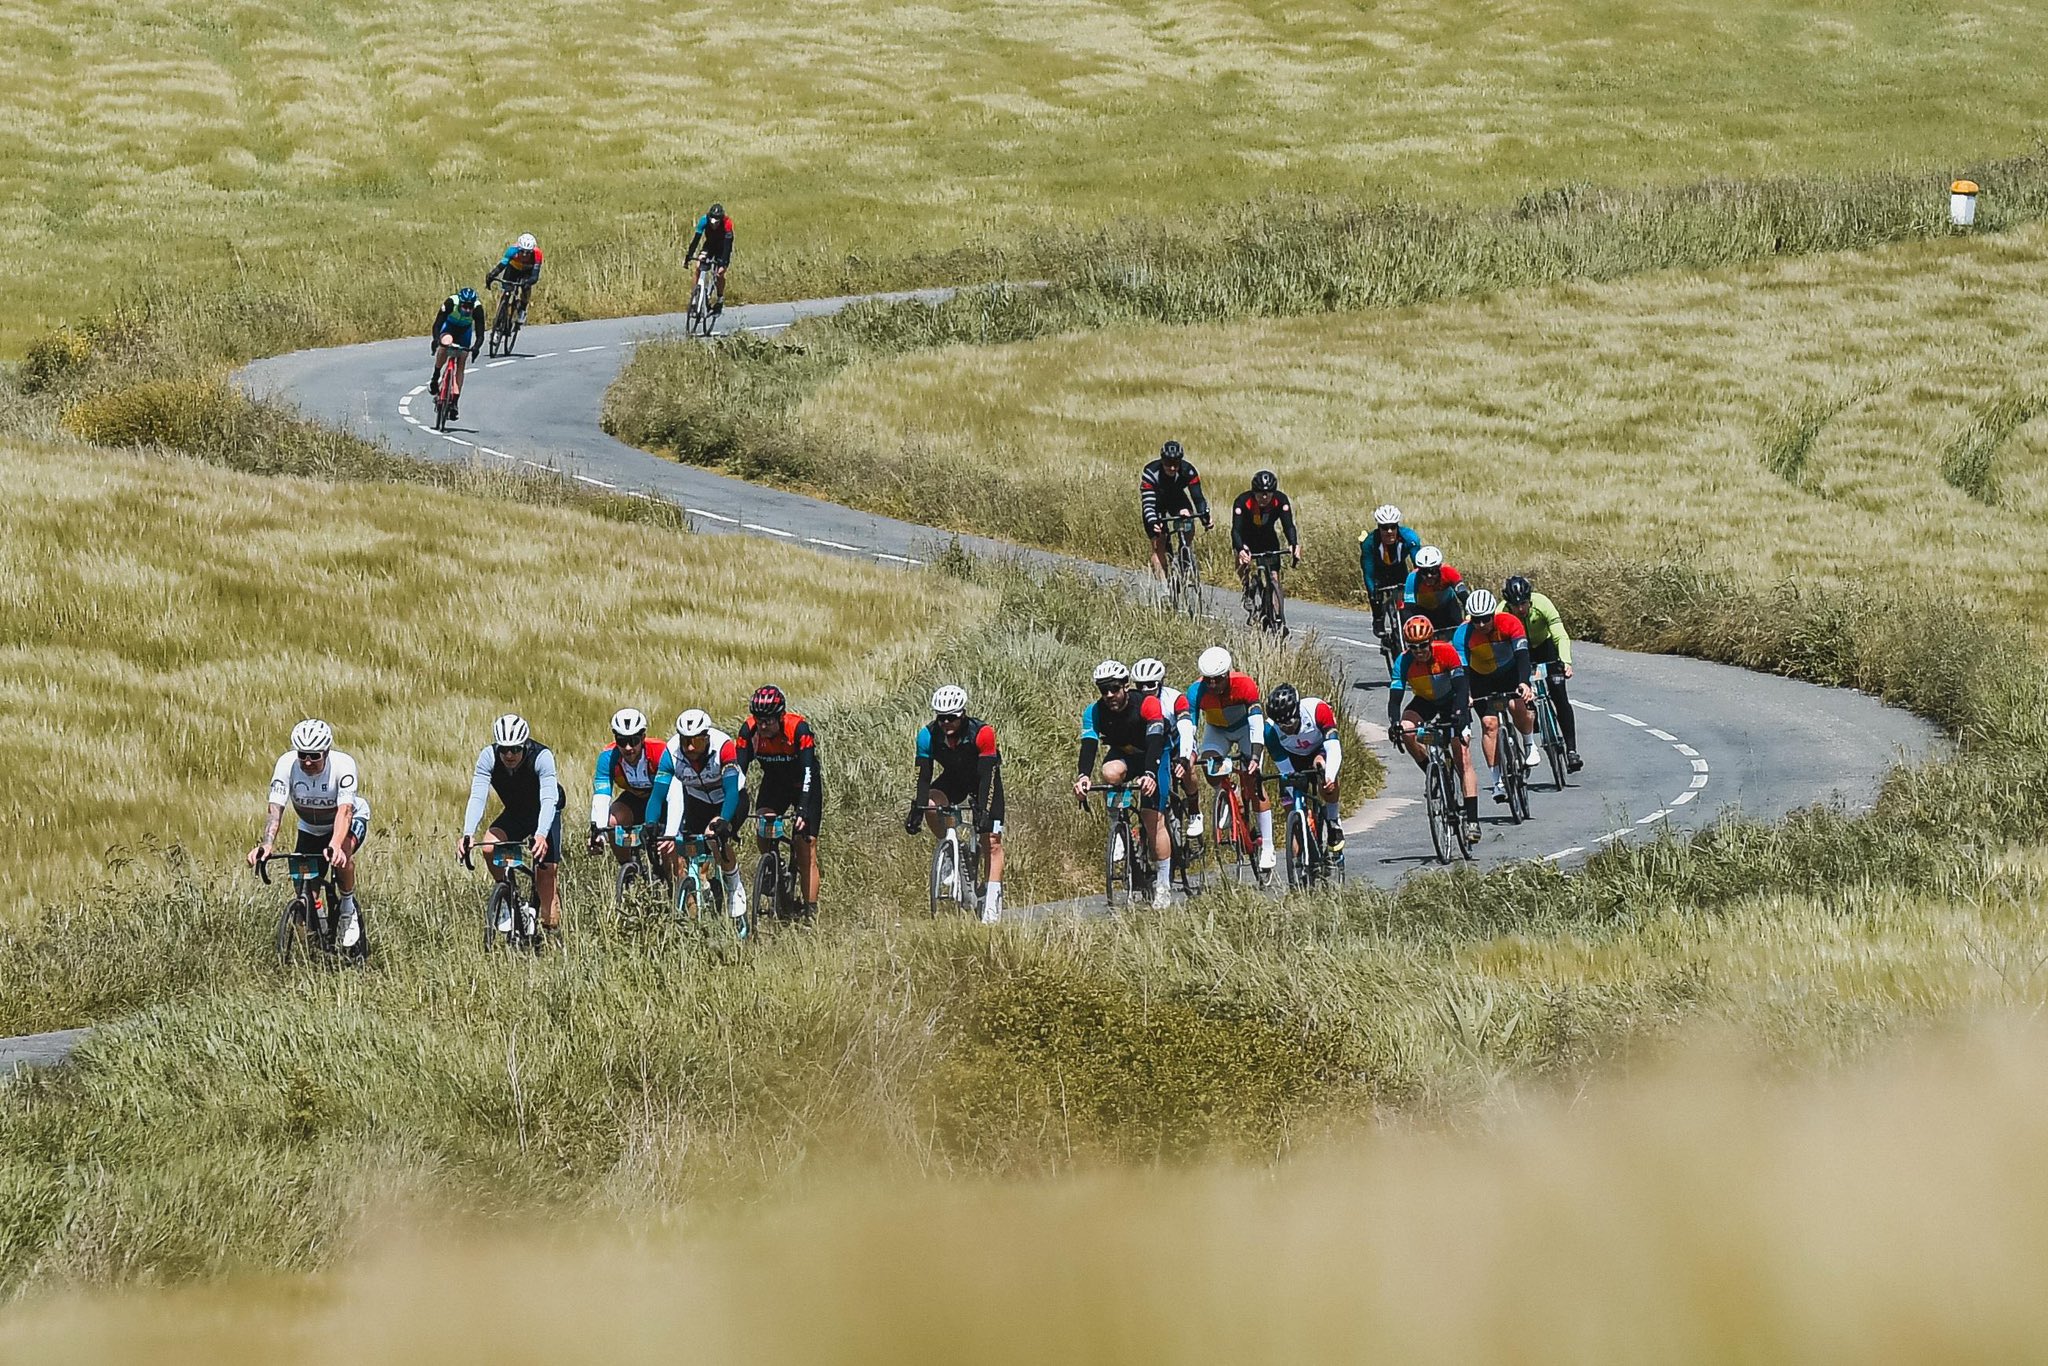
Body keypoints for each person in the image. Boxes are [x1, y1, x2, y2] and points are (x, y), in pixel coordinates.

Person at [246, 719, 370, 958]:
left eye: (314, 755)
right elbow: (275, 809)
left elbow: (344, 812)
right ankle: (319, 928)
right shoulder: (286, 764)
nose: (308, 761)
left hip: (346, 821)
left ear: (326, 752)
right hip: (310, 827)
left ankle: (347, 907)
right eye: (303, 755)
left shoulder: (343, 765)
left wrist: (334, 844)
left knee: (342, 853)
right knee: (304, 885)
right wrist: (267, 843)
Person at [1073, 660, 1175, 909]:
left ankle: (1163, 884)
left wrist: (1150, 774)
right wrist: (1083, 776)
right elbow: (1089, 745)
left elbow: (1154, 741)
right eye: (1103, 690)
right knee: (1109, 772)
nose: (1109, 695)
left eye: (1115, 688)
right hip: (1126, 757)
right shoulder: (1094, 712)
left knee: (1153, 820)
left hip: (1155, 755)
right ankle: (1118, 825)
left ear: (1126, 686)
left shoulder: (1147, 703)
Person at [457, 713, 565, 936]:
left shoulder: (542, 756)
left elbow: (548, 799)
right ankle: (507, 897)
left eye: (515, 749)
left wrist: (542, 834)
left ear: (525, 744)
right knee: (489, 847)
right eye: (504, 749)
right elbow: (478, 796)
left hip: (545, 812)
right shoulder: (488, 757)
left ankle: (551, 935)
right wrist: (468, 833)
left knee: (546, 878)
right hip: (517, 813)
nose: (509, 754)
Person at [906, 685, 1005, 923]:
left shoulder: (982, 733)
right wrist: (918, 809)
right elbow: (924, 776)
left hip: (983, 779)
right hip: (953, 780)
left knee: (990, 839)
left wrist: (983, 810)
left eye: (952, 718)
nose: (946, 723)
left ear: (963, 714)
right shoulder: (927, 735)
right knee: (930, 803)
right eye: (941, 718)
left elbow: (988, 777)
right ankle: (949, 849)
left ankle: (992, 900)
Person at [650, 708, 749, 927]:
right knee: (684, 846)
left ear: (707, 737)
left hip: (730, 799)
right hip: (697, 801)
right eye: (685, 741)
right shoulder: (671, 752)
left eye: (696, 741)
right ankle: (698, 895)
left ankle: (734, 887)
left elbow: (732, 790)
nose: (690, 747)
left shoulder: (723, 746)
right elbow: (658, 795)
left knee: (714, 836)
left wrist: (724, 820)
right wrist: (651, 823)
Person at [1388, 615, 1480, 846]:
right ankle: (1432, 771)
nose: (1418, 651)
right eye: (1413, 647)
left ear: (1430, 641)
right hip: (1425, 701)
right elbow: (1395, 699)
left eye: (1422, 645)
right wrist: (1394, 723)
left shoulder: (1446, 652)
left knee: (1462, 757)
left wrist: (1460, 716)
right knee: (1406, 729)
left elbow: (1461, 687)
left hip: (1452, 700)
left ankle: (1472, 820)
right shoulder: (1403, 662)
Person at [1184, 645, 1274, 872]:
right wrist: (1190, 753)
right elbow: (1191, 728)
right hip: (1218, 730)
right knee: (1208, 764)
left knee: (1255, 783)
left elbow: (1256, 724)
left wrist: (1255, 755)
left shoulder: (1244, 684)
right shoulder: (1196, 691)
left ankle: (1269, 846)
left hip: (1244, 730)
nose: (1213, 685)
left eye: (1218, 680)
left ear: (1228, 674)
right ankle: (1227, 793)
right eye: (1209, 680)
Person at [734, 684, 821, 918]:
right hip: (775, 783)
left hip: (804, 783)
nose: (762, 726)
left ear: (781, 716)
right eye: (759, 719)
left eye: (768, 721)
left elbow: (807, 772)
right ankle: (774, 869)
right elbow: (738, 773)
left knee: (805, 847)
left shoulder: (798, 729)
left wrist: (802, 808)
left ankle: (809, 912)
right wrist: (733, 811)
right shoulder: (749, 731)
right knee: (763, 824)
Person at [1452, 589, 1538, 805]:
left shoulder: (1510, 623)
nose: (1481, 625)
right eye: (1476, 620)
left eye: (1485, 619)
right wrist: (1467, 695)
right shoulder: (1462, 634)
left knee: (1517, 704)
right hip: (1481, 679)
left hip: (1509, 673)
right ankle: (1497, 781)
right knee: (1489, 724)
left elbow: (1522, 656)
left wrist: (1525, 683)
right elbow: (1462, 671)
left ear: (1493, 614)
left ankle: (1529, 744)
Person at [1503, 575, 1583, 773]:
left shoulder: (1542, 603)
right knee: (1523, 692)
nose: (1520, 609)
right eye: (1515, 605)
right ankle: (1533, 722)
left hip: (1544, 648)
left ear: (1530, 599)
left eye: (1524, 603)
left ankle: (1571, 750)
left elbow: (1559, 634)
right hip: (1518, 652)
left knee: (1559, 693)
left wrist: (1565, 661)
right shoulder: (1501, 612)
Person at [1264, 683, 1346, 863]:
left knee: (1323, 770)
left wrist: (1330, 776)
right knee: (1290, 805)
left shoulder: (1317, 709)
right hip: (1292, 759)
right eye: (1281, 725)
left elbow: (1333, 747)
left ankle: (1333, 820)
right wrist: (1296, 799)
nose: (1286, 728)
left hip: (1319, 751)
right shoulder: (1270, 731)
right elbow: (1284, 767)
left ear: (1298, 711)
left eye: (1290, 722)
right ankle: (1297, 864)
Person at [1132, 656, 1202, 840]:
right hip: (1156, 745)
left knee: (1188, 768)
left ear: (1161, 682)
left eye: (1150, 685)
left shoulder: (1175, 698)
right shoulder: (1135, 701)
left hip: (1178, 741)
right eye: (1140, 686)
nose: (1145, 690)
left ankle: (1194, 811)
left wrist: (1185, 758)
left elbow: (1186, 729)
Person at [587, 707, 668, 861]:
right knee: (612, 822)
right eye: (622, 741)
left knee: (668, 844)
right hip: (634, 799)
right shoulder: (608, 758)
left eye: (634, 740)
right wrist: (598, 832)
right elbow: (601, 798)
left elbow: (676, 791)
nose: (628, 747)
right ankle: (628, 870)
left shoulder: (660, 751)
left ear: (643, 737)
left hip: (663, 798)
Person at [1230, 470, 1301, 625]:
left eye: (1268, 493)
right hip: (1247, 538)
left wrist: (1294, 544)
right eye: (1260, 493)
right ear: (1254, 492)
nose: (1264, 497)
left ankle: (1277, 614)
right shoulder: (1243, 501)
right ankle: (1247, 588)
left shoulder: (1280, 500)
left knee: (1274, 577)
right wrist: (1241, 549)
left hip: (1268, 538)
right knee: (1242, 562)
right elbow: (1236, 530)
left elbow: (1288, 526)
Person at [1140, 440, 1213, 584]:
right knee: (1159, 543)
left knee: (1188, 518)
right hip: (1156, 502)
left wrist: (1205, 517)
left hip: (1176, 499)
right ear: (1162, 460)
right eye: (1168, 463)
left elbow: (1198, 498)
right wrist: (1153, 521)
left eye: (1176, 463)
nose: (1172, 467)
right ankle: (1163, 586)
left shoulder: (1188, 471)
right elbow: (1148, 503)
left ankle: (1184, 551)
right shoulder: (1150, 472)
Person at [1359, 504, 1423, 642]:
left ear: (1397, 526)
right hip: (1378, 572)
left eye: (1393, 527)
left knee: (1410, 602)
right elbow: (1368, 572)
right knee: (1375, 596)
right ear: (1379, 527)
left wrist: (1419, 583)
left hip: (1399, 570)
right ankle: (1378, 619)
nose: (1389, 531)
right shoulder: (1369, 543)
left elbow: (1419, 566)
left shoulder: (1409, 538)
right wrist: (1372, 591)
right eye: (1384, 527)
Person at [428, 287, 486, 416]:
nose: (467, 309)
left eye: (469, 307)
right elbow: (437, 324)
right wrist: (436, 340)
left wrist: (476, 347)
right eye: (464, 306)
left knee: (462, 360)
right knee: (445, 344)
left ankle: (454, 402)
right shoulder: (450, 303)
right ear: (460, 303)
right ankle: (436, 376)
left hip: (464, 331)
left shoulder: (478, 309)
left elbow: (480, 334)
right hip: (449, 327)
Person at [1402, 545, 1469, 634]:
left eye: (1433, 571)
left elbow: (1463, 595)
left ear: (1439, 568)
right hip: (1423, 611)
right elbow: (1409, 608)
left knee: (1459, 632)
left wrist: (1468, 615)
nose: (1429, 576)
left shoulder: (1449, 572)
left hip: (1448, 607)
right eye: (1424, 572)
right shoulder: (1412, 578)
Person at [484, 232, 544, 326]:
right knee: (506, 290)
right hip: (513, 269)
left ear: (532, 251)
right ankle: (500, 317)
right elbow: (502, 265)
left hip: (527, 272)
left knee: (526, 288)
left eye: (528, 252)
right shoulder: (512, 250)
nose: (524, 255)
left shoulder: (537, 254)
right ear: (518, 249)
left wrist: (528, 282)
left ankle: (522, 309)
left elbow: (535, 276)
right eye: (522, 251)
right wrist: (492, 275)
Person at [685, 202, 735, 309]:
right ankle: (694, 299)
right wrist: (689, 255)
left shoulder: (727, 223)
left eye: (717, 223)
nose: (714, 225)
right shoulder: (704, 220)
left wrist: (723, 263)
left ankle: (720, 299)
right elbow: (696, 240)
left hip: (723, 248)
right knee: (698, 267)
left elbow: (728, 244)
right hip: (710, 246)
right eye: (712, 223)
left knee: (719, 274)